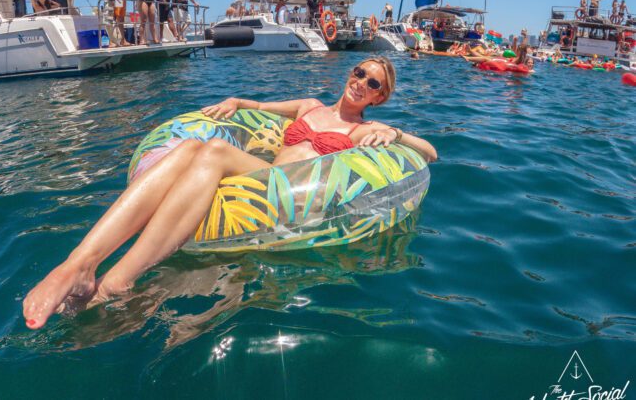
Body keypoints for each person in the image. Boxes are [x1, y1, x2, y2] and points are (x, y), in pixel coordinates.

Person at [22, 57, 437, 330]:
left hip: (289, 195)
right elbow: (257, 105)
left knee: (215, 151)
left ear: (381, 96)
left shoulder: (366, 131)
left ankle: (117, 281)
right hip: (259, 175)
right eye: (359, 73)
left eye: (373, 82)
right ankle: (79, 264)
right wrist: (234, 101)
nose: (361, 82)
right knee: (189, 147)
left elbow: (431, 153)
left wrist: (396, 133)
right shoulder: (308, 105)